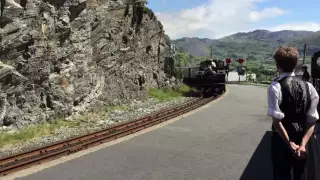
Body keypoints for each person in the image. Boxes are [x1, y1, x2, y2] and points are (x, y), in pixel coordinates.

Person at [267, 46, 319, 180]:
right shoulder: (309, 87)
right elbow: (312, 119)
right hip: (301, 139)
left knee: (281, 174)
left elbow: (277, 122)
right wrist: (302, 144)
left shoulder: (275, 87)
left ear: (277, 65)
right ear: (296, 64)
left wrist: (289, 143)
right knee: (300, 174)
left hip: (281, 141)